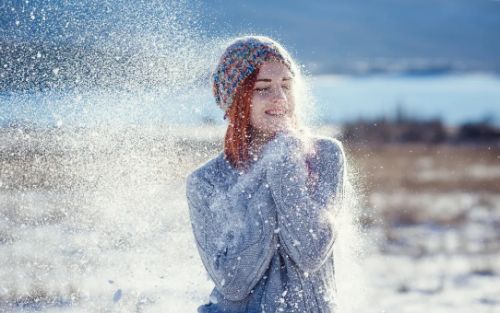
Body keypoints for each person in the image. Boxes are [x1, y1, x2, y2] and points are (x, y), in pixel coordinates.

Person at [186, 36, 346, 313]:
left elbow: (311, 252)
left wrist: (286, 166)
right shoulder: (207, 181)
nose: (279, 98)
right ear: (236, 100)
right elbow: (232, 284)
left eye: (286, 85)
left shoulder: (325, 156)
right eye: (262, 88)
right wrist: (268, 180)